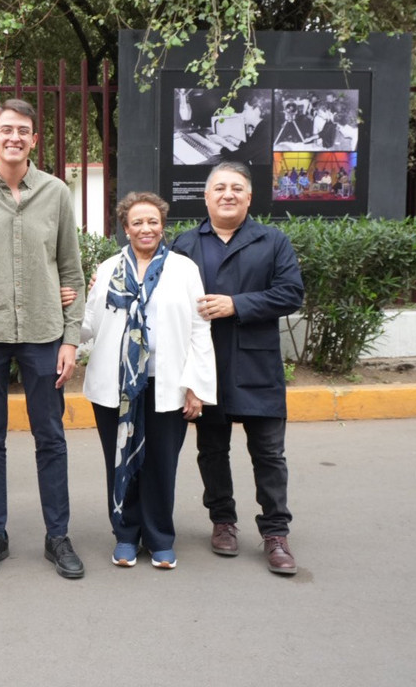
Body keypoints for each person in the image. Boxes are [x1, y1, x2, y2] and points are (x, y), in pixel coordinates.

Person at [0, 98, 88, 579]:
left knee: (51, 437)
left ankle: (58, 537)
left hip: (45, 334)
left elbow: (72, 269)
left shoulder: (55, 194)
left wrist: (71, 340)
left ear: (33, 139)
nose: (14, 137)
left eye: (23, 130)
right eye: (6, 129)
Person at [171, 161, 305, 575]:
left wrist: (237, 304)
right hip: (206, 366)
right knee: (212, 450)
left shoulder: (272, 241)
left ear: (249, 197)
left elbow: (290, 293)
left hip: (256, 364)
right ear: (206, 196)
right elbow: (165, 300)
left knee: (268, 454)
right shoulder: (186, 244)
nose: (228, 194)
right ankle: (223, 521)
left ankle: (275, 533)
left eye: (237, 188)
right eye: (220, 188)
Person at [83, 192, 215, 569]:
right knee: (120, 459)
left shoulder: (184, 270)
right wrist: (66, 301)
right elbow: (89, 325)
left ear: (162, 226)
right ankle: (125, 534)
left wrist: (196, 386)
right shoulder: (108, 269)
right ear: (125, 229)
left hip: (167, 383)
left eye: (153, 221)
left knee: (160, 463)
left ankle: (159, 537)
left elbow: (198, 330)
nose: (146, 228)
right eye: (137, 222)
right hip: (116, 386)